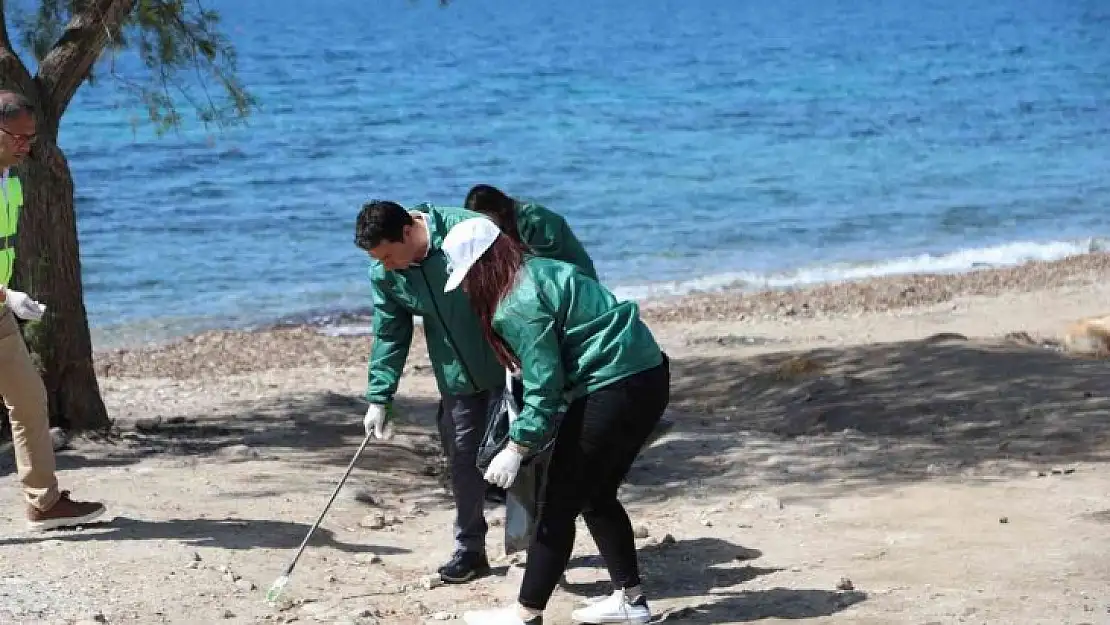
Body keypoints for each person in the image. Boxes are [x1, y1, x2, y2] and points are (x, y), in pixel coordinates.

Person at [440, 217, 671, 625]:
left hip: (613, 384)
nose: (469, 291)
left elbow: (545, 385)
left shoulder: (515, 304)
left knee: (557, 504)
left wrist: (517, 447)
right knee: (596, 495)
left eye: (467, 279)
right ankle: (631, 603)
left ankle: (526, 614)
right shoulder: (540, 267)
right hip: (649, 372)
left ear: (481, 268)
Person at [354, 199, 505, 583]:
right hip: (457, 375)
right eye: (377, 259)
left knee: (530, 452)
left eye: (388, 255)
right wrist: (379, 398)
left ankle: (542, 541)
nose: (384, 265)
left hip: (512, 364)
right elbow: (390, 334)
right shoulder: (385, 274)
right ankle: (471, 550)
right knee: (463, 459)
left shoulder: (467, 231)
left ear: (408, 232)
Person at [0, 91, 106, 530]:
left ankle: (43, 502)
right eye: (18, 138)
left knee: (28, 401)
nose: (27, 146)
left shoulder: (11, 180)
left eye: (31, 139)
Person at [463, 184, 598, 281]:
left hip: (579, 280)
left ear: (497, 210)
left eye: (484, 219)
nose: (482, 226)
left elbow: (547, 263)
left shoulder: (533, 219)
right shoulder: (502, 228)